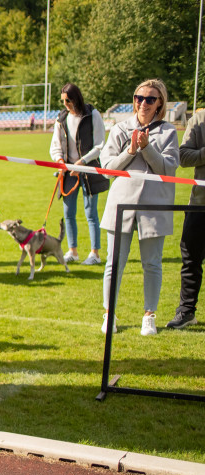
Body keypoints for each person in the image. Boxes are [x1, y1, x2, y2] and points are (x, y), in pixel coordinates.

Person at [99, 78, 179, 337]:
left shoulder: (168, 132)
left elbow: (168, 168)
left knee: (152, 264)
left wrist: (148, 149)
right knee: (114, 263)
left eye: (150, 99)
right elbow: (108, 169)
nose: (143, 103)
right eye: (138, 98)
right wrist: (131, 150)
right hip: (121, 205)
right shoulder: (121, 129)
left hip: (154, 207)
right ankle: (109, 314)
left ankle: (149, 316)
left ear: (160, 103)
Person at [49, 84, 109, 265]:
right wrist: (60, 161)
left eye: (68, 100)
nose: (66, 104)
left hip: (89, 170)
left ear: (76, 99)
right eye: (63, 101)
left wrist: (82, 163)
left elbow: (99, 145)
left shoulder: (93, 115)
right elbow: (55, 145)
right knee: (68, 213)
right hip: (68, 173)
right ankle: (72, 251)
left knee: (91, 213)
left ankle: (95, 254)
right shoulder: (61, 118)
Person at [168, 107, 205, 329]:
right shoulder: (199, 118)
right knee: (190, 259)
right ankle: (186, 311)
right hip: (200, 204)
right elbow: (183, 156)